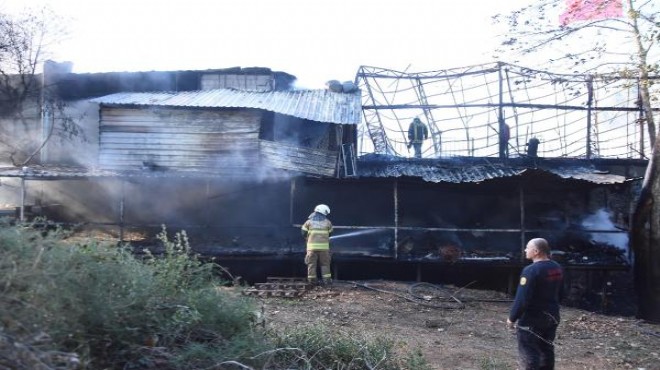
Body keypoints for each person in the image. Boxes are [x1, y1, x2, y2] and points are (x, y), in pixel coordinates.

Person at [507, 238, 564, 370]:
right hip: (552, 316)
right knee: (546, 349)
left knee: (529, 352)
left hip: (532, 319)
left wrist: (512, 318)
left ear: (536, 251)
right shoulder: (557, 267)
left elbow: (522, 299)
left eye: (527, 247)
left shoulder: (531, 271)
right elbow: (562, 293)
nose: (525, 250)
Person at [301, 204, 333, 286]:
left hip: (311, 249)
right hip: (324, 249)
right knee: (325, 265)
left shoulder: (308, 222)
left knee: (311, 265)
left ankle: (312, 282)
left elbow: (303, 233)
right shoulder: (328, 223)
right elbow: (330, 234)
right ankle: (327, 282)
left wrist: (308, 237)